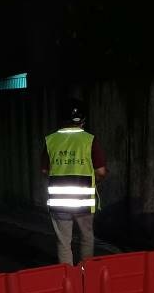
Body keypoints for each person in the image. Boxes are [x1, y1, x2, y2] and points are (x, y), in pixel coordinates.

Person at [41, 99, 107, 265]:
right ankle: (85, 273)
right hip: (84, 201)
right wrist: (94, 182)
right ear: (82, 120)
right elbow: (101, 172)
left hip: (59, 202)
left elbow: (45, 171)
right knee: (86, 237)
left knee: (64, 242)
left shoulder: (50, 140)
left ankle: (68, 276)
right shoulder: (89, 140)